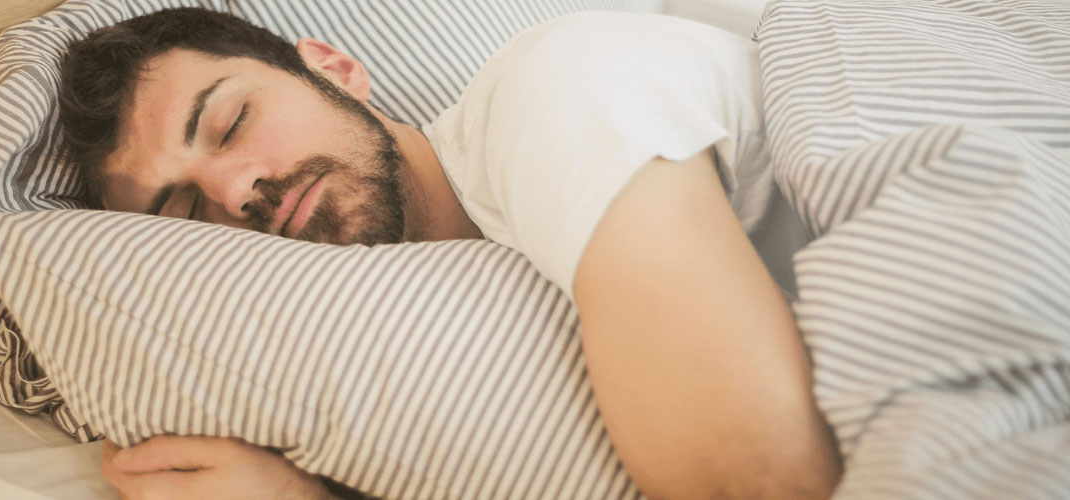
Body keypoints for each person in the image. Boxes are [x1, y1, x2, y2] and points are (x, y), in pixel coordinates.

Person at [59, 7, 841, 500]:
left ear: (333, 69)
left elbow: (760, 479)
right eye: (189, 208)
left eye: (229, 123)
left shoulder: (556, 90)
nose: (236, 190)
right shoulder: (386, 353)